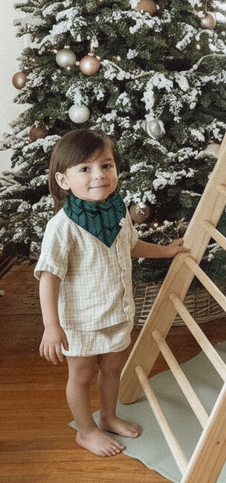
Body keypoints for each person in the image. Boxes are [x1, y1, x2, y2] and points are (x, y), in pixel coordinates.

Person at [35, 129, 190, 457]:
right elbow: (48, 277)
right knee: (80, 376)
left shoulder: (118, 212)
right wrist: (51, 326)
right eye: (85, 169)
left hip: (117, 312)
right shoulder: (63, 227)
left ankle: (107, 417)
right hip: (80, 321)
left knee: (112, 368)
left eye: (106, 165)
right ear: (64, 181)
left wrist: (164, 251)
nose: (99, 175)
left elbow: (129, 245)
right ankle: (86, 431)